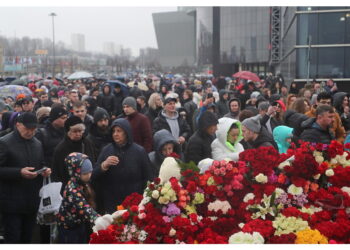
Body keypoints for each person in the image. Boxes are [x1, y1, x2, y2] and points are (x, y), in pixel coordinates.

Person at [0, 112, 51, 243]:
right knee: (13, 239)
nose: (31, 132)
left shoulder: (37, 143)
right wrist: (19, 172)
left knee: (27, 238)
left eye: (33, 129)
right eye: (27, 128)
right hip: (11, 203)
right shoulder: (4, 142)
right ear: (18, 125)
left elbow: (40, 163)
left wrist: (44, 170)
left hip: (32, 201)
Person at [91, 118, 154, 214]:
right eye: (113, 131)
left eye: (119, 131)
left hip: (134, 201)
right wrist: (104, 165)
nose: (115, 134)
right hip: (113, 202)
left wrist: (145, 199)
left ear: (126, 132)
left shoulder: (139, 151)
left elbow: (148, 176)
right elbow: (94, 175)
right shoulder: (106, 150)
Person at [57, 153, 99, 243]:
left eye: (90, 172)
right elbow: (84, 208)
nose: (89, 175)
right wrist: (100, 220)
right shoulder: (72, 190)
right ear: (75, 172)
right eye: (85, 173)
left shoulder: (82, 182)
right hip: (69, 229)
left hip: (79, 224)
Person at [52, 116, 96, 191]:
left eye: (80, 131)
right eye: (75, 131)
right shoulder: (61, 149)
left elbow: (93, 161)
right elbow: (57, 173)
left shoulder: (87, 143)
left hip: (87, 186)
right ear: (68, 132)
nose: (78, 134)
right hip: (69, 189)